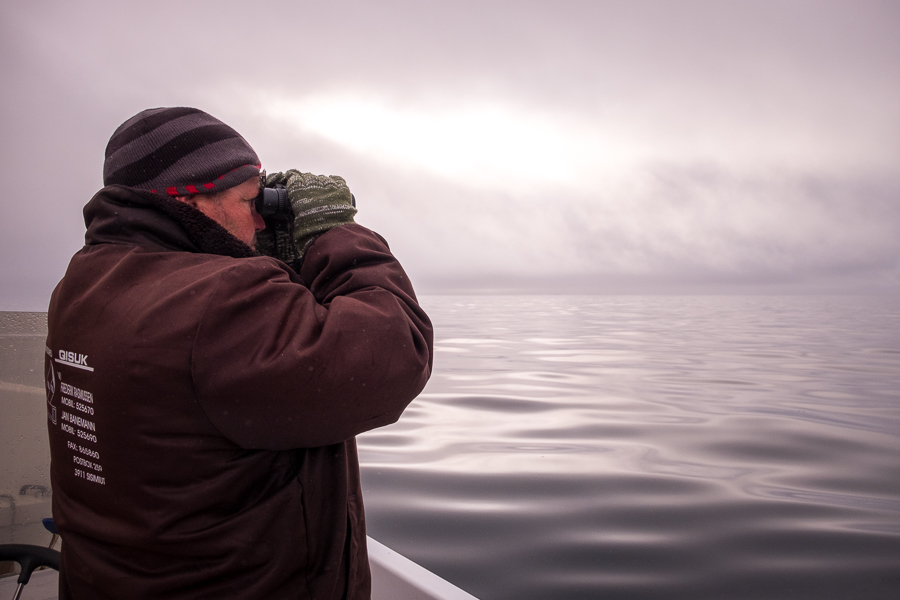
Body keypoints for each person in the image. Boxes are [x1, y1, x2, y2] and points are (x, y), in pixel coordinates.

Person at [44, 107, 433, 599]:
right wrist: (334, 233)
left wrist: (259, 257)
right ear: (191, 200)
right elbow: (397, 352)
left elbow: (224, 364)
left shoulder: (83, 283)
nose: (257, 217)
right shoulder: (219, 303)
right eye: (250, 200)